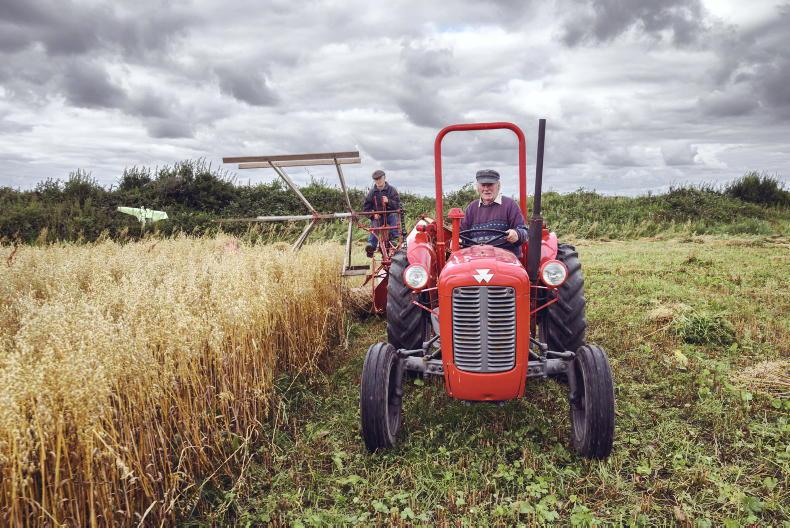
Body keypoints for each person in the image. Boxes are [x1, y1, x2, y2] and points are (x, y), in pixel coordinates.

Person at [460, 169, 528, 257]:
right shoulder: (472, 208)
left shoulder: (510, 205)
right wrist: (458, 240)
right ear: (477, 187)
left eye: (490, 185)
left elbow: (524, 232)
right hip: (476, 259)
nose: (486, 189)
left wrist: (516, 234)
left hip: (505, 259)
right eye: (483, 185)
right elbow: (462, 234)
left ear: (498, 185)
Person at [363, 169, 401, 257]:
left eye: (380, 179)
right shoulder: (372, 193)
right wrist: (373, 215)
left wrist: (389, 201)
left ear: (384, 178)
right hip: (378, 217)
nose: (378, 181)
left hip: (390, 215)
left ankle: (394, 239)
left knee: (394, 217)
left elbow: (398, 205)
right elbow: (366, 208)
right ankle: (371, 246)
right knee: (375, 226)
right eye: (376, 180)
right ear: (374, 180)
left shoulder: (392, 190)